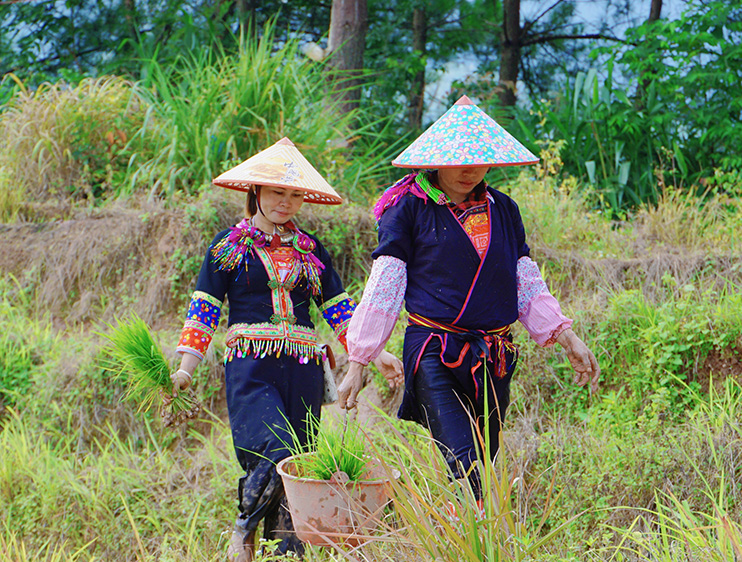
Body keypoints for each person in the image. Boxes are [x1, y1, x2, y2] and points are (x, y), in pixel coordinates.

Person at [339, 96, 600, 507]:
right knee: (463, 458)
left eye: (479, 160)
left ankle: (462, 532)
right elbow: (385, 285)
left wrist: (566, 337)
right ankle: (479, 536)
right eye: (459, 159)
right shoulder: (407, 209)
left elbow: (524, 278)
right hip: (433, 349)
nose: (469, 170)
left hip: (494, 354)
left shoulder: (505, 209)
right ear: (436, 159)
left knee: (483, 454)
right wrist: (358, 362)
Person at [168, 137, 402, 561]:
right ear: (254, 191)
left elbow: (339, 309)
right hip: (251, 367)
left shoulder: (312, 252)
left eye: (295, 194)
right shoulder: (226, 248)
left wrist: (375, 352)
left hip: (304, 370)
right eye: (278, 192)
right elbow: (203, 308)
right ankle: (243, 528)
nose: (286, 202)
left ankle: (285, 552)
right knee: (277, 448)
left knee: (298, 467)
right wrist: (186, 368)